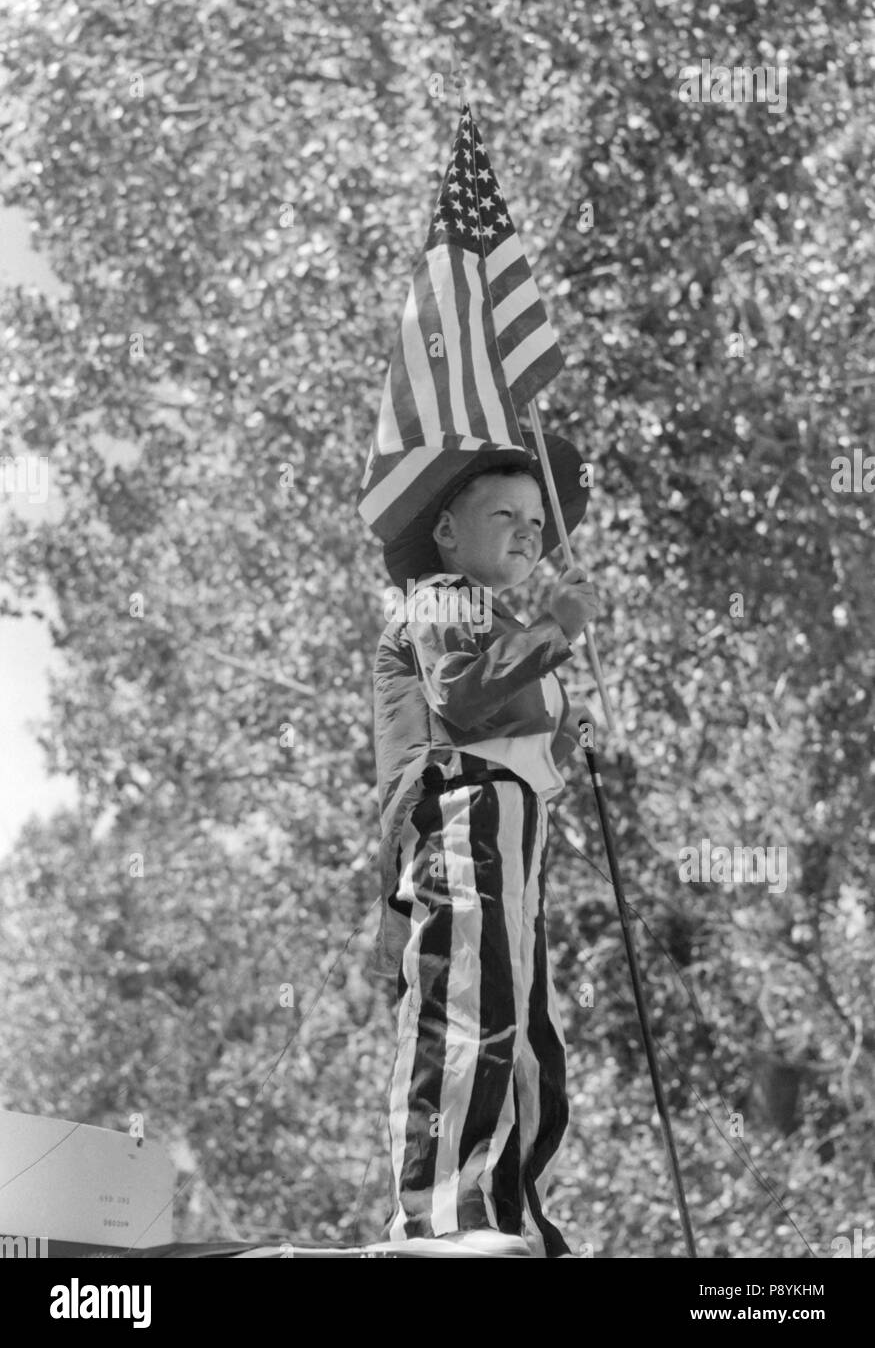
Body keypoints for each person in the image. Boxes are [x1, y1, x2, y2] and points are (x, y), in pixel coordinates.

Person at [371, 450, 599, 1258]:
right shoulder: (445, 598)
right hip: (460, 811)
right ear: (445, 531)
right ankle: (441, 1211)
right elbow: (460, 696)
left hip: (513, 825)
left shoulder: (499, 618)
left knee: (524, 1028)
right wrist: (557, 631)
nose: (527, 533)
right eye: (504, 515)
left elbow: (525, 739)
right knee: (467, 1006)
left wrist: (566, 733)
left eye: (535, 523)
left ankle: (507, 1208)